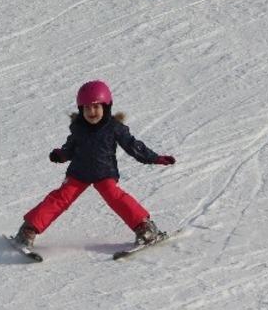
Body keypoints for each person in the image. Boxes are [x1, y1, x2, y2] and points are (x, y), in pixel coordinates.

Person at [14, 80, 175, 250]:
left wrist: (155, 158)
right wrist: (60, 155)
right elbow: (70, 147)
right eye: (87, 108)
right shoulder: (78, 128)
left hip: (104, 172)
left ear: (106, 107)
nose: (92, 112)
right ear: (80, 109)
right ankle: (28, 230)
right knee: (59, 198)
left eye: (96, 107)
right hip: (78, 173)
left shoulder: (114, 128)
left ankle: (145, 228)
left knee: (116, 197)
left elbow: (133, 146)